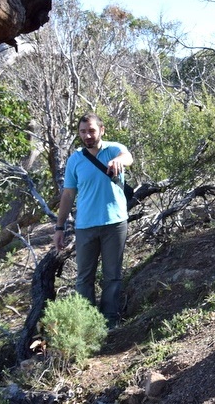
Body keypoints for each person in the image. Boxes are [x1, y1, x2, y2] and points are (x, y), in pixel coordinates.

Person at [53, 113, 133, 328]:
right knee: (84, 277)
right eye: (83, 131)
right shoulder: (76, 159)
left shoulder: (114, 149)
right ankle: (88, 323)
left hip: (114, 223)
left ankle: (110, 321)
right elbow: (68, 194)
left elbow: (128, 157)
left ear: (101, 130)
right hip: (85, 226)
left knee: (112, 275)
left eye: (91, 131)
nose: (87, 135)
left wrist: (118, 160)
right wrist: (59, 227)